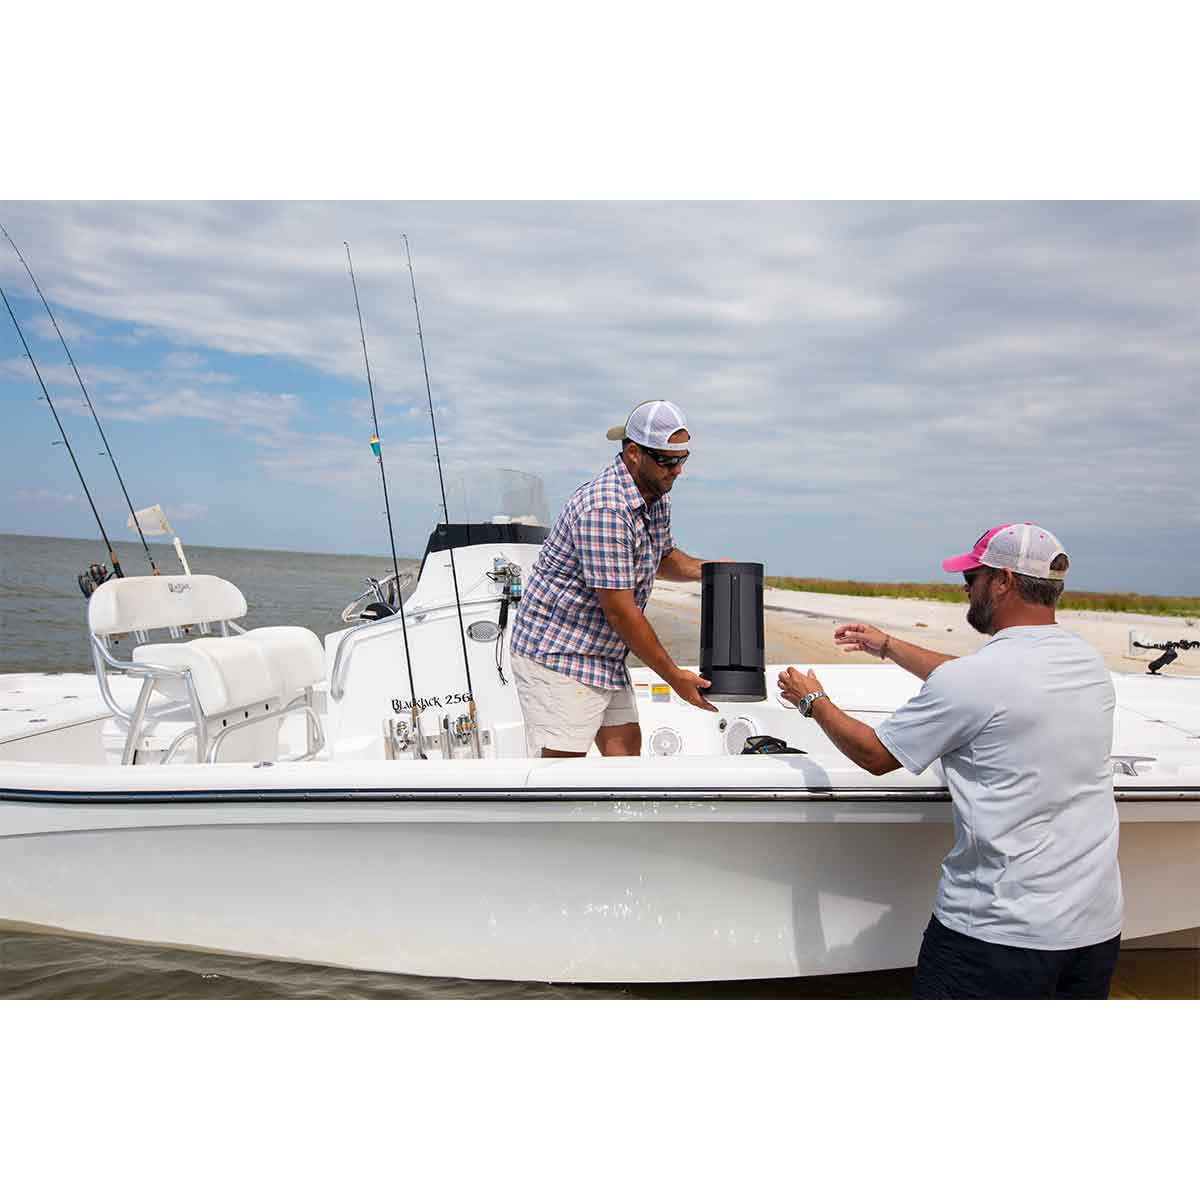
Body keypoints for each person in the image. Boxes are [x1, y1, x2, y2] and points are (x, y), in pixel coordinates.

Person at [778, 522, 1124, 1000]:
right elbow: (977, 684)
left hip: (996, 934)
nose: (966, 586)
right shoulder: (1087, 663)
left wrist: (811, 699)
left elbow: (874, 755)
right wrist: (889, 646)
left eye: (974, 576)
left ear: (1002, 581)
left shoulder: (978, 680)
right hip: (1095, 930)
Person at [510, 399, 719, 758]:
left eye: (682, 458)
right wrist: (673, 676)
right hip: (559, 653)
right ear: (634, 453)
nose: (677, 470)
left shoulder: (655, 495)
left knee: (625, 754)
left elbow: (662, 556)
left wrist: (712, 571)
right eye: (668, 460)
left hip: (604, 654)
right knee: (563, 770)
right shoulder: (605, 509)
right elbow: (620, 611)